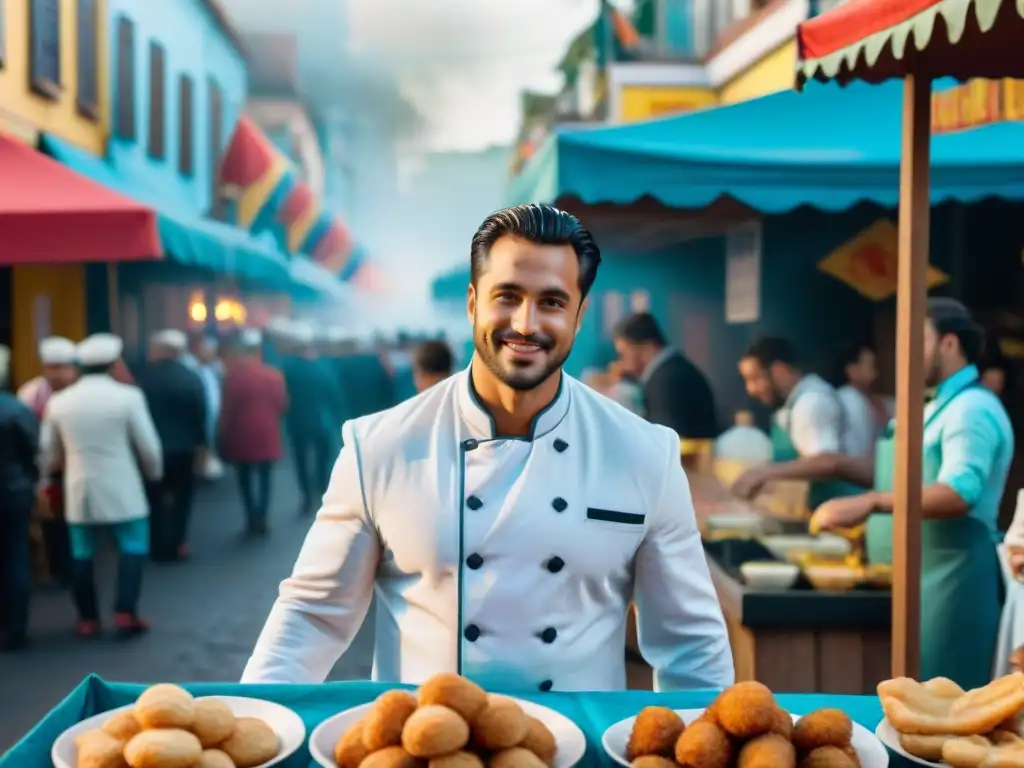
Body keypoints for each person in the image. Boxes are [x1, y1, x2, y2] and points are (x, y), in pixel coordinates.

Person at [241, 203, 733, 691]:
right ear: (473, 303)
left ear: (580, 316)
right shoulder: (379, 447)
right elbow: (312, 617)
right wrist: (259, 728)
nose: (525, 323)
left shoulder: (647, 453)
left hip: (580, 752)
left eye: (552, 302)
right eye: (508, 296)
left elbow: (690, 641)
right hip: (425, 746)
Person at [811, 298, 1014, 690]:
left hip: (956, 585)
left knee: (946, 708)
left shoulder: (971, 409)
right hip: (918, 581)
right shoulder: (933, 405)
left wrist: (871, 502)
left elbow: (958, 493)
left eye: (917, 341)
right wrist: (833, 469)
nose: (905, 356)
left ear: (949, 344)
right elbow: (893, 472)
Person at [41, 334, 163, 638]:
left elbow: (48, 452)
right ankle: (125, 611)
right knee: (133, 547)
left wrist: (48, 478)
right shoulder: (129, 397)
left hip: (79, 488)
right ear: (114, 363)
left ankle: (87, 617)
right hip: (123, 486)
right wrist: (154, 474)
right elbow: (148, 447)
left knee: (81, 553)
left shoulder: (59, 401)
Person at [731, 336, 866, 509]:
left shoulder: (812, 402)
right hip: (824, 509)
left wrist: (763, 472)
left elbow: (826, 462)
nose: (751, 389)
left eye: (755, 378)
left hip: (845, 512)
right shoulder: (794, 403)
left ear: (779, 370)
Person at [138, 330, 207, 562]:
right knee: (183, 498)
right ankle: (178, 542)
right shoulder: (191, 377)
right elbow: (201, 415)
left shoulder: (146, 379)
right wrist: (203, 446)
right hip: (185, 448)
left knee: (154, 497)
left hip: (154, 448)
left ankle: (157, 544)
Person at [17, 336, 79, 586]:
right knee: (52, 522)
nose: (58, 374)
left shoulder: (81, 392)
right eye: (52, 368)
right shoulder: (31, 393)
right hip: (46, 468)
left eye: (63, 367)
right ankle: (58, 568)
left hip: (76, 465)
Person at [219, 329, 288, 537]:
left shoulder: (233, 376)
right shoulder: (273, 376)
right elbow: (282, 405)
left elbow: (227, 408)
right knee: (266, 478)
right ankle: (263, 516)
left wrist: (221, 433)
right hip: (267, 433)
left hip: (241, 434)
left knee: (244, 478)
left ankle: (251, 517)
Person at [613, 313, 720, 440]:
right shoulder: (673, 369)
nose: (620, 362)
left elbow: (666, 442)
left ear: (647, 346)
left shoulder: (665, 381)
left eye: (623, 353)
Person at [280, 324, 344, 515]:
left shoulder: (289, 370)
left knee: (300, 460)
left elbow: (284, 396)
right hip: (320, 422)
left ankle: (306, 495)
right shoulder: (322, 369)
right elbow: (334, 395)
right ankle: (321, 488)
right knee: (322, 457)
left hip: (297, 422)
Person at [0, 345, 40, 651]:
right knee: (15, 557)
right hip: (13, 492)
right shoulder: (16, 409)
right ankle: (16, 628)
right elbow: (32, 451)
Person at [833, 343, 890, 458]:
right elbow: (860, 448)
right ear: (852, 370)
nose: (876, 374)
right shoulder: (848, 400)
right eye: (871, 366)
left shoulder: (871, 400)